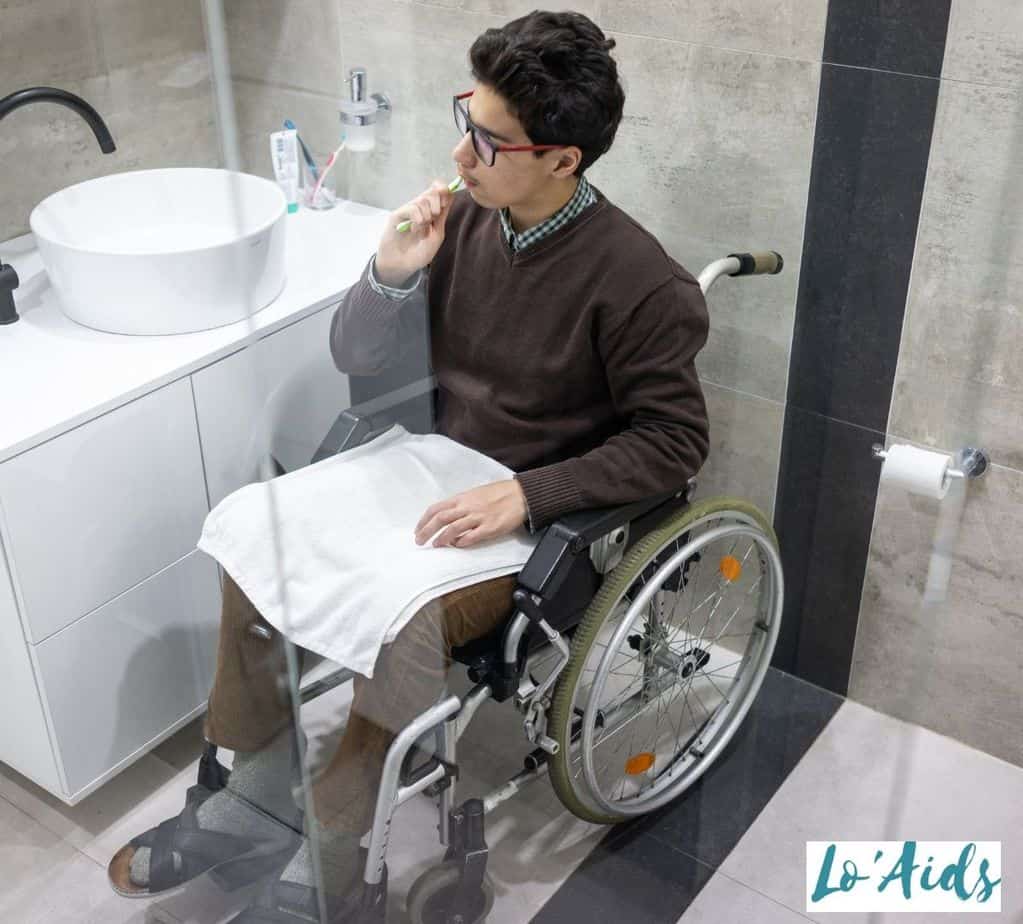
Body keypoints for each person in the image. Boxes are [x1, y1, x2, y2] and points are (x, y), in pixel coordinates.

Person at [108, 9, 710, 922]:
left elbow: (673, 441)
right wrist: (390, 272)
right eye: (465, 115)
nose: (463, 153)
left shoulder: (639, 284)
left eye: (490, 139)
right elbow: (360, 359)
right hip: (421, 465)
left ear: (562, 160)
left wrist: (526, 491)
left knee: (402, 627)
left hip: (526, 521)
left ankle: (340, 846)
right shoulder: (465, 223)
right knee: (250, 534)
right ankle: (259, 794)